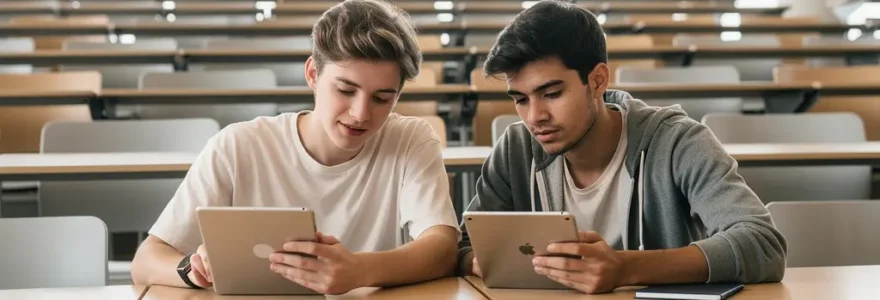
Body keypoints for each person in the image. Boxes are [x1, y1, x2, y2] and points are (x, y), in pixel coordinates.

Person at [458, 0, 787, 294]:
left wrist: (626, 268)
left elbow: (763, 243)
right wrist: (484, 261)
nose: (535, 117)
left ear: (598, 81)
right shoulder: (515, 149)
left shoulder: (678, 141)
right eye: (520, 99)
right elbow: (463, 248)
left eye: (552, 94)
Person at [131, 0, 460, 294]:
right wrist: (192, 269)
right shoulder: (236, 145)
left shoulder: (412, 139)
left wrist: (360, 270)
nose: (361, 113)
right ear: (313, 74)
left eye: (381, 98)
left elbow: (443, 248)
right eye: (345, 90)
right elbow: (146, 260)